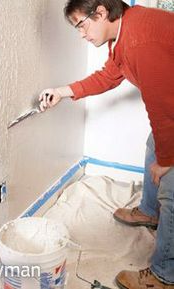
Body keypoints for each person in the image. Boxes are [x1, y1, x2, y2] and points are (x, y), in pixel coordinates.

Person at [38, 0, 174, 288]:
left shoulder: (139, 42)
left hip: (170, 108)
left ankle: (164, 275)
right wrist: (63, 92)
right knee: (157, 144)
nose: (81, 34)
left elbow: (163, 108)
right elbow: (109, 76)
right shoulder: (126, 32)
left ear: (100, 13)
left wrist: (166, 162)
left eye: (80, 25)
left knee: (172, 186)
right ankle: (150, 212)